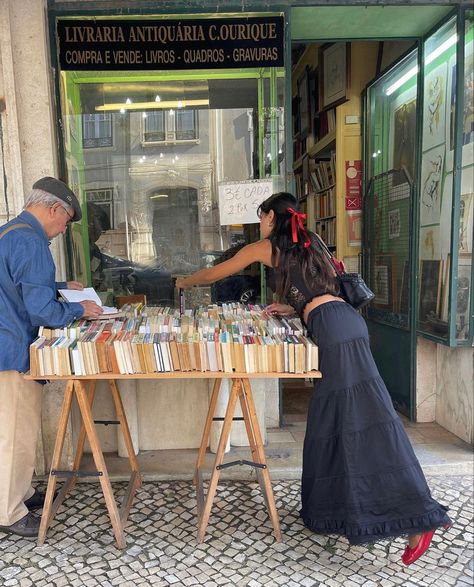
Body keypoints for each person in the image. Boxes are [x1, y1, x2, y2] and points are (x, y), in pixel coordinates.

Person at [176, 191, 452, 565]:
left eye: (262, 218)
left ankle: (419, 518)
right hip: (344, 324)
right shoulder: (311, 242)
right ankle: (333, 512)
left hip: (334, 332)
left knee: (367, 425)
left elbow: (216, 272)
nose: (261, 225)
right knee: (331, 425)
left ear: (272, 217)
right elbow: (327, 289)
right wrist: (294, 305)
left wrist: (183, 281)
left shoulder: (268, 246)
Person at [0, 177, 103, 538]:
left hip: (5, 343)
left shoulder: (9, 232)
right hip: (12, 350)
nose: (62, 229)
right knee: (15, 432)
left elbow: (13, 283)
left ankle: (21, 493)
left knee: (16, 429)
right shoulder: (31, 241)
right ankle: (8, 512)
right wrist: (79, 311)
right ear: (52, 208)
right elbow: (40, 308)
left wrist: (62, 288)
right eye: (65, 220)